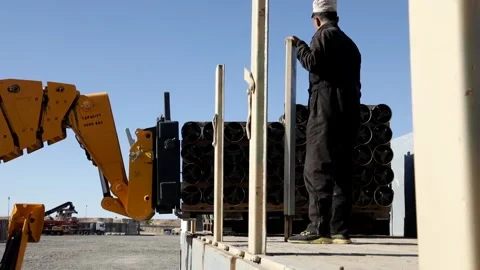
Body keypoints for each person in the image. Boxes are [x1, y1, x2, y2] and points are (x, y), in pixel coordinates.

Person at [286, 0, 362, 244]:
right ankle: (340, 230)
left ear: (317, 19)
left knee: (318, 168)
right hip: (349, 112)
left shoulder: (322, 36)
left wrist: (300, 47)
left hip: (325, 110)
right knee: (342, 171)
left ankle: (318, 229)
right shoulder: (352, 45)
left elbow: (313, 63)